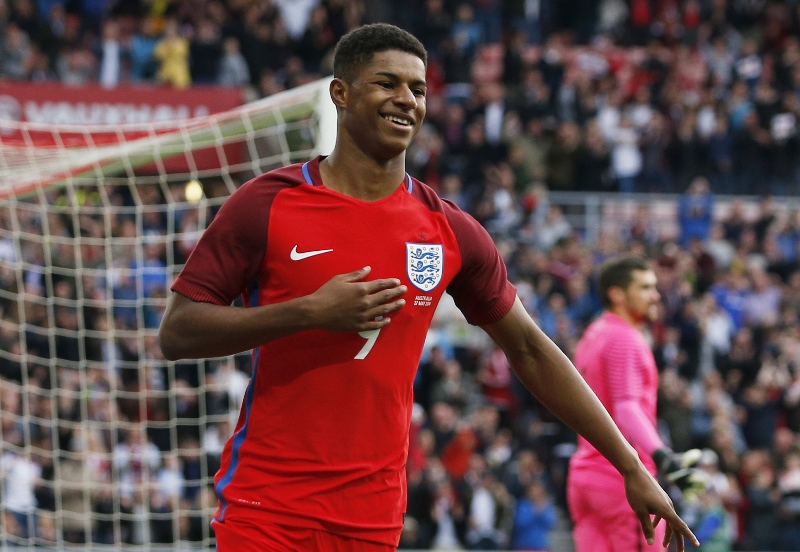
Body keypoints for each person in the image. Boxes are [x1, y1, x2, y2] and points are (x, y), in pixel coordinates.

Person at [159, 23, 699, 552]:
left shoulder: (450, 229)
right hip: (267, 507)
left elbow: (532, 349)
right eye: (387, 83)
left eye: (417, 89)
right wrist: (308, 311)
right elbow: (178, 331)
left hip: (374, 515)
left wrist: (631, 464)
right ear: (340, 94)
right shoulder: (267, 202)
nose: (406, 100)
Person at [567, 255, 705, 552]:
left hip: (584, 476)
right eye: (644, 287)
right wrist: (664, 457)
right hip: (622, 480)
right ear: (616, 294)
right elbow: (626, 407)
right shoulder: (624, 338)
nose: (655, 295)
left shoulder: (593, 333)